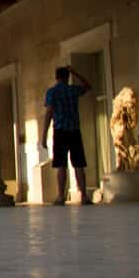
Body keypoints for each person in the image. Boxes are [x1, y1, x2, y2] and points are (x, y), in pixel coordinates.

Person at [41, 65, 93, 206]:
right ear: (67, 77)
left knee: (61, 165)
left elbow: (49, 114)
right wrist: (76, 72)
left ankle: (60, 196)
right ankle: (83, 196)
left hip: (60, 131)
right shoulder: (72, 90)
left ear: (56, 77)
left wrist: (44, 135)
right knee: (79, 165)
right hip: (74, 130)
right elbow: (88, 86)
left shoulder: (52, 92)